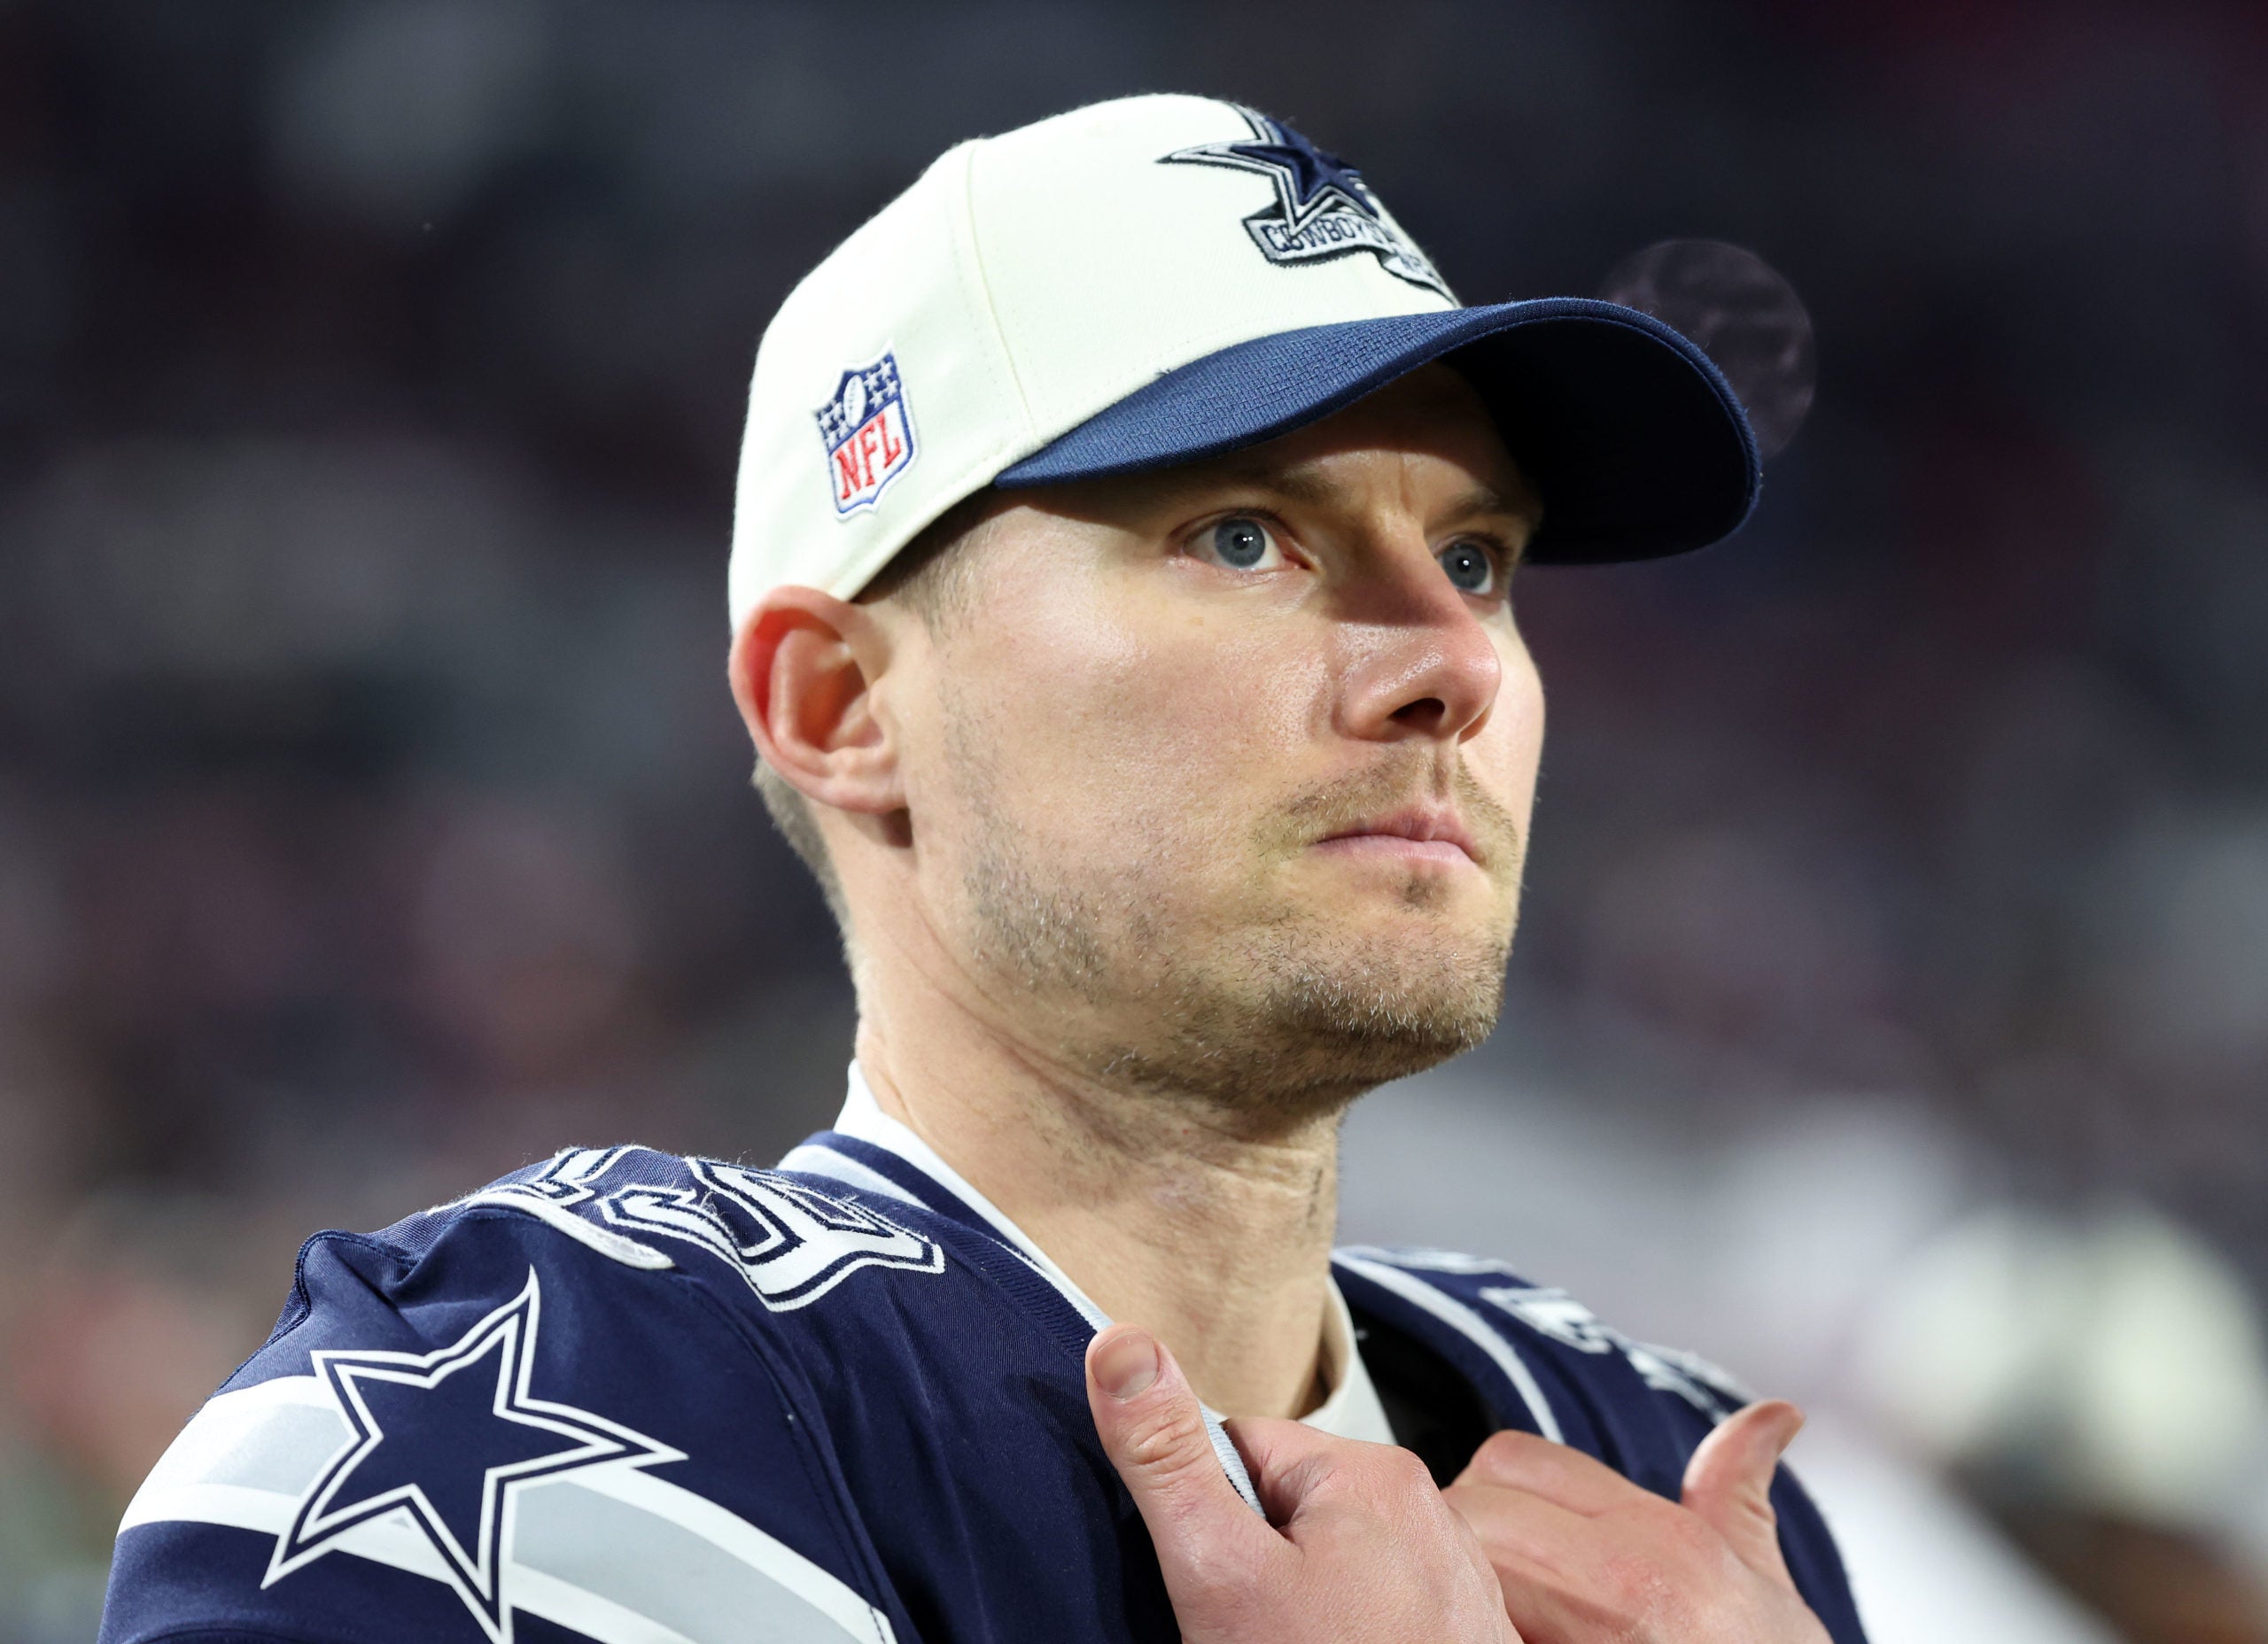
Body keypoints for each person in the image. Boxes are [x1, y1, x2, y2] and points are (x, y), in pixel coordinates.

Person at [100, 95, 1866, 1644]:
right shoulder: (557, 1421)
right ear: (842, 704)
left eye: (1476, 559)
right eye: (1244, 537)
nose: (1454, 663)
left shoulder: (1654, 1465)